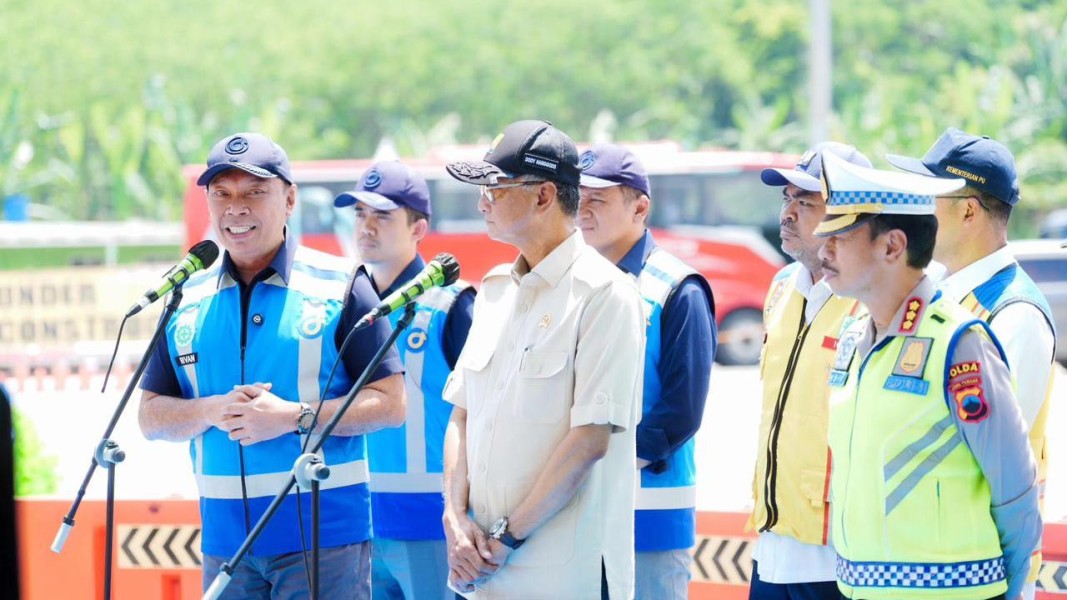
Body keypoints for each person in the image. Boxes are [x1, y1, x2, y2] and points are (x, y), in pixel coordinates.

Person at [138, 132, 406, 599]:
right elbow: (149, 416)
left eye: (254, 193)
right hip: (225, 544)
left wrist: (293, 417)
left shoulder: (343, 286)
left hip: (324, 540)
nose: (235, 208)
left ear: (290, 200)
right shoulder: (185, 300)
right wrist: (210, 410)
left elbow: (390, 404)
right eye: (221, 194)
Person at [814, 151, 1041, 600]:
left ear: (893, 246)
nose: (824, 250)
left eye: (840, 236)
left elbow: (1016, 491)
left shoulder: (960, 342)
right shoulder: (852, 337)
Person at [440, 120, 645, 599]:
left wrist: (506, 538)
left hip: (561, 571)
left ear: (543, 195)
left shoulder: (605, 294)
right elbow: (462, 416)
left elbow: (589, 440)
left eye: (495, 187)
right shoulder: (493, 290)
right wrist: (454, 518)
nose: (482, 202)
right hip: (484, 569)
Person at [888, 130, 1056, 600]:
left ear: (967, 210)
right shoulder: (937, 292)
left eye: (929, 196)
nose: (916, 207)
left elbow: (998, 458)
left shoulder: (1013, 313)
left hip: (979, 572)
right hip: (928, 564)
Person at [577, 143, 715, 599]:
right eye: (579, 198)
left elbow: (681, 411)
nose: (583, 210)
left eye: (598, 199)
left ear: (640, 207)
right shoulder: (578, 285)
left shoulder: (677, 288)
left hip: (650, 514)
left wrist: (600, 464)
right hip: (578, 514)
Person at [333, 160, 475, 600]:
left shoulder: (452, 305)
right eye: (359, 214)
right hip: (358, 521)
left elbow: (483, 412)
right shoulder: (344, 305)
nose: (366, 227)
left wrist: (465, 513)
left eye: (382, 216)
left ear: (419, 228)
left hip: (433, 524)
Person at [746, 142, 872, 600]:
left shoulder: (873, 300)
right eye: (787, 200)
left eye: (806, 202)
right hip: (774, 539)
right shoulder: (782, 287)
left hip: (839, 553)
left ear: (850, 215)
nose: (789, 213)